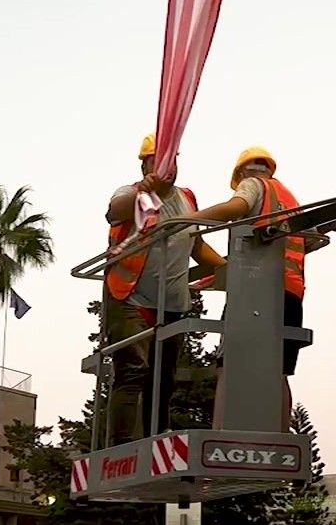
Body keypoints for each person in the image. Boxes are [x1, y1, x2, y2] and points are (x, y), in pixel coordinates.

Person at [102, 134, 225, 445]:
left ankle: (157, 437)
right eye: (157, 162)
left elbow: (196, 244)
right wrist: (146, 191)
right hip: (129, 297)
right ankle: (122, 446)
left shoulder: (186, 198)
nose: (166, 168)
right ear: (145, 166)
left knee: (164, 379)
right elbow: (114, 211)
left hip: (171, 303)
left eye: (171, 161)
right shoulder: (132, 194)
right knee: (133, 370)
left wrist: (226, 267)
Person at [193, 146, 308, 383]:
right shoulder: (290, 200)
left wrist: (186, 222)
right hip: (291, 294)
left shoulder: (254, 183)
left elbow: (236, 208)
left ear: (242, 173)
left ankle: (226, 422)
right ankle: (279, 422)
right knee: (279, 374)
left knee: (230, 367)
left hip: (254, 294)